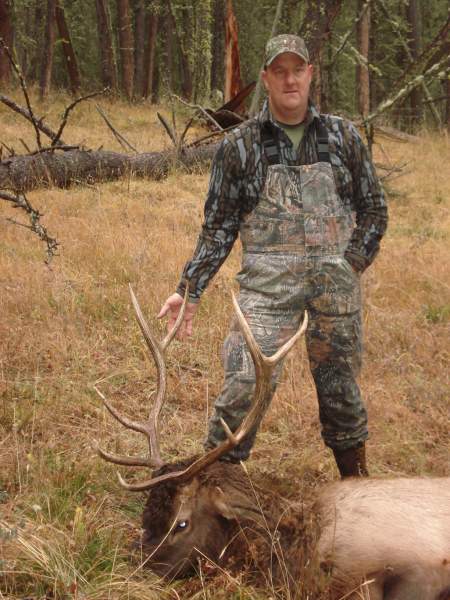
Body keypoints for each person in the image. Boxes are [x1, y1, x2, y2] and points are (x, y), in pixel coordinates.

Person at [158, 34, 388, 478]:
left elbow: (375, 209)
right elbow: (219, 226)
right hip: (266, 291)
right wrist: (189, 290)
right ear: (265, 78)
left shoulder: (343, 137)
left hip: (334, 291)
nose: (289, 79)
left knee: (340, 394)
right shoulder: (238, 147)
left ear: (310, 74)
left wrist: (351, 264)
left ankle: (357, 488)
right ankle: (213, 494)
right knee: (243, 385)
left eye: (296, 69)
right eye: (278, 71)